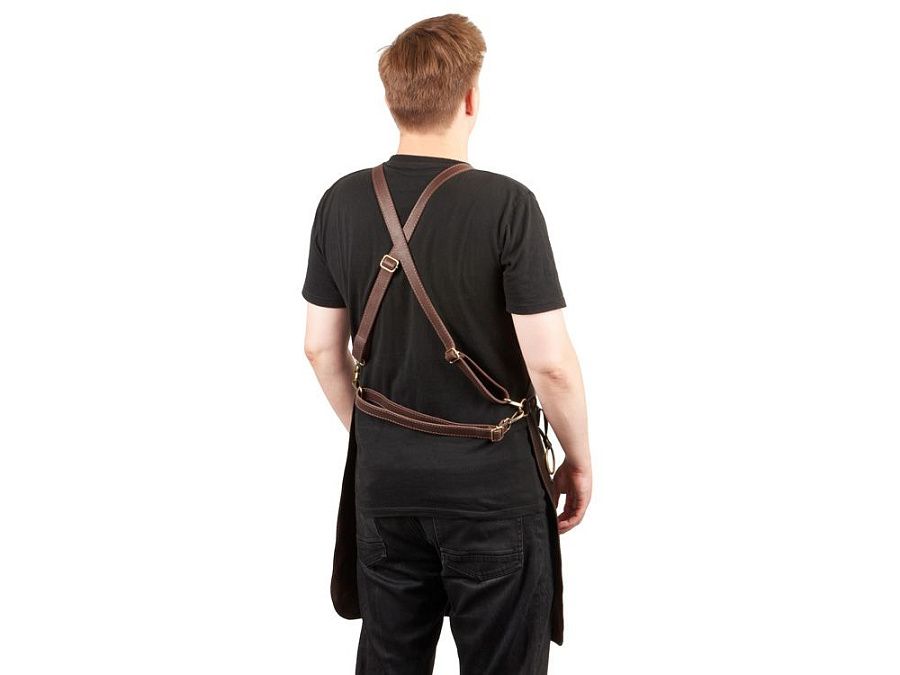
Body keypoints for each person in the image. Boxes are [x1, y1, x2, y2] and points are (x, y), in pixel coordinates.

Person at [302, 13, 592, 675]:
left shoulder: (339, 201)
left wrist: (380, 433)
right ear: (470, 98)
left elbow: (320, 347)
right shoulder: (507, 205)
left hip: (385, 483)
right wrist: (577, 459)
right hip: (492, 488)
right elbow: (550, 363)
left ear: (392, 99)